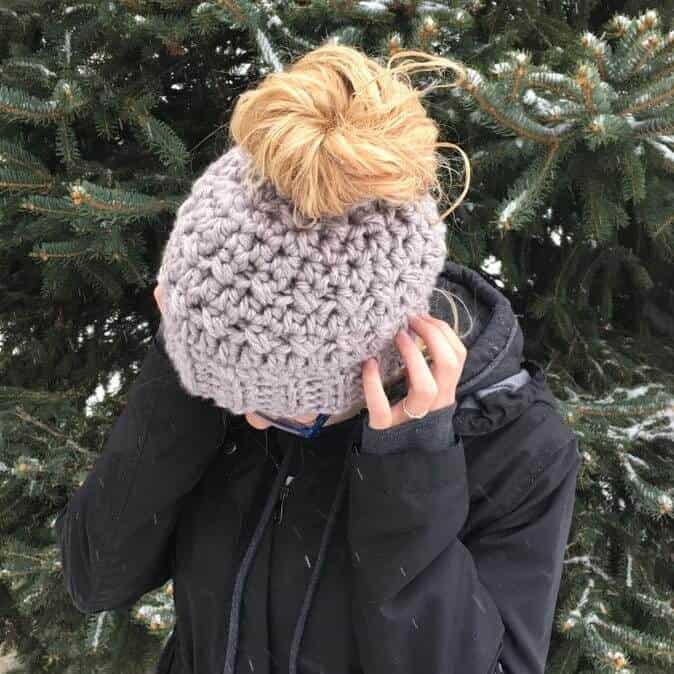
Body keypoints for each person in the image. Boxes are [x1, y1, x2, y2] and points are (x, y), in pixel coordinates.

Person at [55, 45, 582, 674]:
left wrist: (410, 480)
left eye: (283, 412)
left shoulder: (515, 445)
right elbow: (96, 577)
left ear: (372, 364)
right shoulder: (230, 361)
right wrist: (188, 365)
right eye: (229, 396)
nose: (247, 421)